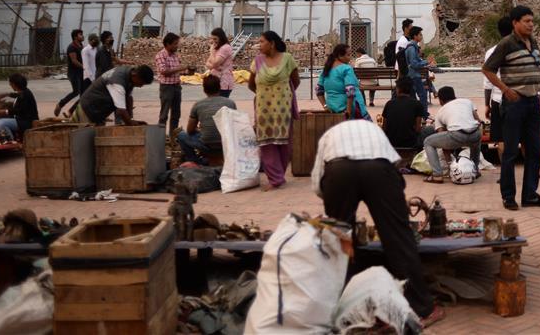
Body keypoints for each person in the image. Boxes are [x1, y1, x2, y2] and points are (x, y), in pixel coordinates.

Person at [311, 120, 443, 328]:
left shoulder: (330, 136)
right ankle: (422, 308)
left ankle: (339, 306)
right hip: (378, 169)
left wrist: (336, 209)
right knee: (398, 237)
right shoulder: (374, 131)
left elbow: (318, 181)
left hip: (339, 171)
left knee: (339, 239)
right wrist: (396, 203)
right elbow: (394, 166)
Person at [483, 5, 540, 210]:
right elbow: (487, 70)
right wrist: (505, 89)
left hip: (533, 103)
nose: (531, 24)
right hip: (514, 104)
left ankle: (530, 194)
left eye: (532, 21)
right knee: (510, 152)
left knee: (534, 150)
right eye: (526, 21)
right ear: (515, 23)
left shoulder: (533, 42)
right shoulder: (506, 44)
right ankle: (508, 197)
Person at [249, 31, 300, 191]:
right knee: (266, 142)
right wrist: (265, 94)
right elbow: (251, 85)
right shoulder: (257, 61)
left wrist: (282, 94)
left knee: (284, 142)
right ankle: (275, 179)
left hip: (283, 109)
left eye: (262, 41)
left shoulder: (287, 59)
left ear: (272, 43)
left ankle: (279, 175)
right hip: (264, 109)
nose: (259, 45)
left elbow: (295, 81)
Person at [422, 87, 481, 184]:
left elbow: (443, 142)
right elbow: (478, 121)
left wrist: (450, 164)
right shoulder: (466, 102)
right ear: (454, 96)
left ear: (440, 100)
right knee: (476, 138)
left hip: (457, 135)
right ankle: (475, 170)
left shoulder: (440, 112)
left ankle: (437, 175)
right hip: (475, 134)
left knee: (428, 142)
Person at [178, 74, 237, 165]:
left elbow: (190, 130)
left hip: (207, 145)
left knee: (181, 135)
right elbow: (234, 126)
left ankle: (195, 161)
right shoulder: (230, 103)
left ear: (204, 89)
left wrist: (201, 129)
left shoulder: (198, 105)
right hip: (226, 145)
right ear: (219, 87)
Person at [72, 65, 154, 125]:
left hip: (98, 113)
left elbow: (129, 98)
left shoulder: (130, 75)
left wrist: (131, 118)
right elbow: (121, 109)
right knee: (82, 142)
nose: (141, 86)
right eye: (141, 83)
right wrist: (130, 123)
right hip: (87, 110)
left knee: (95, 142)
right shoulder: (117, 82)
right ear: (136, 76)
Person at [484, 17, 514, 164]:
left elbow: (487, 82)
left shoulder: (491, 51)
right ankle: (531, 172)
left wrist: (486, 104)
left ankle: (505, 172)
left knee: (501, 138)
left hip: (498, 99)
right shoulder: (522, 49)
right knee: (523, 136)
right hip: (518, 99)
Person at [318, 44, 370, 120]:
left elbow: (318, 89)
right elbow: (350, 90)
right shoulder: (346, 69)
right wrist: (348, 111)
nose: (350, 58)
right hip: (348, 108)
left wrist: (325, 106)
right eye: (348, 55)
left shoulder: (326, 69)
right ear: (340, 55)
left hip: (332, 107)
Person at [155, 33, 193, 135]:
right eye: (175, 44)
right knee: (164, 114)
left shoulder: (175, 55)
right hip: (166, 87)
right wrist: (181, 68)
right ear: (168, 44)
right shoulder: (160, 55)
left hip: (176, 86)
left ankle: (173, 137)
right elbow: (164, 71)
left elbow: (176, 71)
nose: (177, 46)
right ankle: (160, 137)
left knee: (176, 114)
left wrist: (188, 72)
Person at [380, 77, 423, 148]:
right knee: (428, 130)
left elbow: (384, 127)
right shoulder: (417, 104)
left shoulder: (389, 103)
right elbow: (418, 129)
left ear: (398, 89)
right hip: (410, 142)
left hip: (392, 142)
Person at [0, 74, 38, 142]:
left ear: (14, 84)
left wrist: (5, 111)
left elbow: (20, 110)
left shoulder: (26, 95)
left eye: (10, 83)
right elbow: (17, 95)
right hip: (23, 120)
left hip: (27, 122)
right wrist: (6, 94)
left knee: (1, 122)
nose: (10, 85)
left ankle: (10, 141)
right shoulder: (24, 91)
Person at [404, 27, 434, 119]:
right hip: (414, 76)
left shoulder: (412, 47)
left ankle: (415, 115)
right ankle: (424, 115)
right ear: (415, 36)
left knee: (413, 97)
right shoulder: (412, 48)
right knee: (423, 95)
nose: (421, 36)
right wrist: (426, 62)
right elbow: (414, 64)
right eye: (420, 34)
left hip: (410, 75)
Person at [54, 29, 84, 116]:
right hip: (73, 73)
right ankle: (60, 104)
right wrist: (84, 67)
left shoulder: (81, 45)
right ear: (75, 37)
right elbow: (74, 61)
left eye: (82, 34)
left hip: (81, 73)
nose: (82, 36)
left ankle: (71, 111)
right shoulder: (71, 47)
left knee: (83, 94)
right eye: (80, 34)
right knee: (76, 91)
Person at [205, 28, 234, 97]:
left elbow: (214, 63)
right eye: (212, 39)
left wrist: (211, 51)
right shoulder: (217, 48)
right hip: (215, 82)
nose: (213, 41)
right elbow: (207, 63)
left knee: (221, 105)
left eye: (215, 39)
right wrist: (214, 66)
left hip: (223, 83)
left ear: (221, 38)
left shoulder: (225, 48)